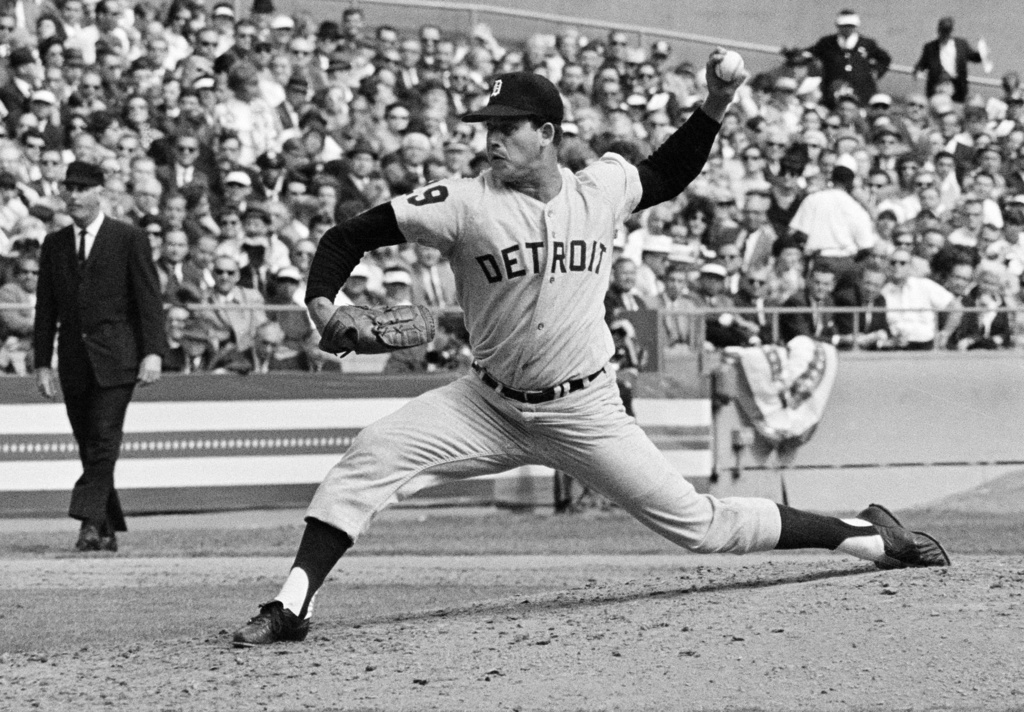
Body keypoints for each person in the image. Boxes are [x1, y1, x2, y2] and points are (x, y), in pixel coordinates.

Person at [231, 57, 950, 647]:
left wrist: (716, 102)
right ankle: (293, 603)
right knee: (372, 454)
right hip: (484, 404)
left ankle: (865, 537)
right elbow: (343, 240)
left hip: (585, 408)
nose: (491, 139)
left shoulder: (601, 186)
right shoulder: (459, 200)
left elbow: (670, 172)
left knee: (702, 528)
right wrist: (324, 305)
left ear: (546, 133)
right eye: (488, 127)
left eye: (507, 128)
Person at [33, 161, 164, 552]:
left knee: (104, 439)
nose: (73, 194)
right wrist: (42, 362)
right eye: (68, 187)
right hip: (73, 361)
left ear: (99, 192)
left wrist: (153, 352)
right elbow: (46, 309)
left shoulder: (128, 237)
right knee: (89, 444)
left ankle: (88, 523)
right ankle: (106, 526)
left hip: (118, 359)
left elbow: (148, 300)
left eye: (81, 187)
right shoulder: (54, 244)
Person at [796, 9, 891, 109]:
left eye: (851, 26)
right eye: (844, 26)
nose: (847, 29)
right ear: (838, 26)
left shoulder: (867, 44)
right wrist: (797, 55)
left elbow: (885, 59)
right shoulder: (827, 43)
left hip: (862, 90)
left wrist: (876, 72)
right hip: (832, 90)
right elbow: (809, 53)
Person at [913, 17, 986, 104]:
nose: (944, 33)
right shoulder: (930, 47)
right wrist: (917, 71)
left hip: (958, 89)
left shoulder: (962, 45)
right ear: (938, 30)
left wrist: (982, 52)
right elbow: (921, 64)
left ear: (951, 31)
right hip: (937, 88)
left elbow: (974, 58)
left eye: (947, 31)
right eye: (943, 30)